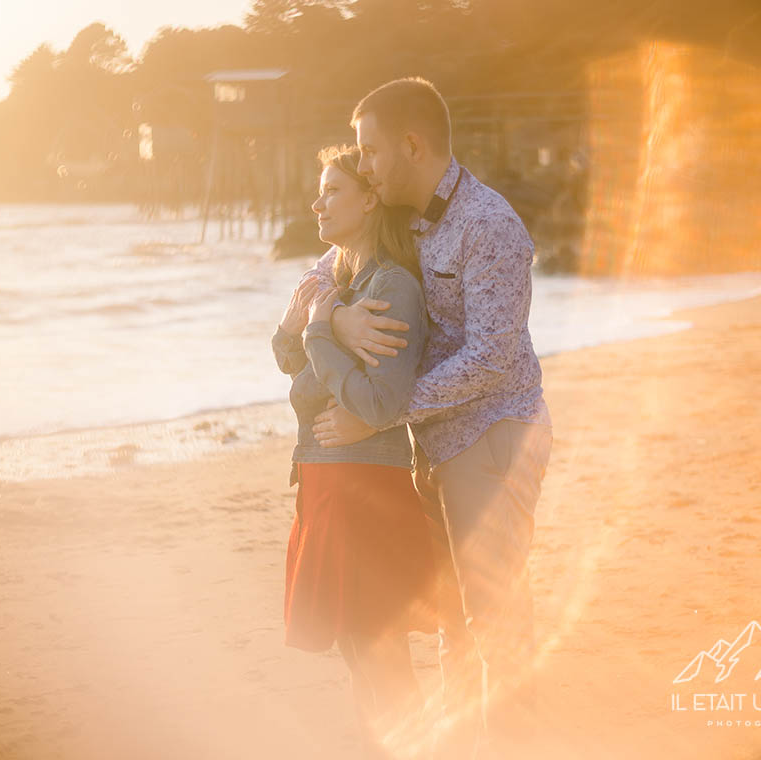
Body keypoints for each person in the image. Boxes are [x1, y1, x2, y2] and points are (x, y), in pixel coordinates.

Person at [304, 77, 554, 760]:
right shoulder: (402, 213)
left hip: (495, 433)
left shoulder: (490, 224)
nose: (364, 167)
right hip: (433, 445)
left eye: (371, 151)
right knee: (454, 617)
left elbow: (491, 361)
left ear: (413, 146)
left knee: (494, 615)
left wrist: (379, 416)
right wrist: (336, 315)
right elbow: (325, 271)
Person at [271, 143, 438, 754]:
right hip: (324, 482)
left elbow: (379, 404)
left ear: (370, 198)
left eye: (333, 191)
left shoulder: (391, 287)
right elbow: (289, 356)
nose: (317, 202)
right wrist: (317, 322)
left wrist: (320, 325)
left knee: (379, 650)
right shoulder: (339, 280)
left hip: (363, 487)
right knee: (356, 649)